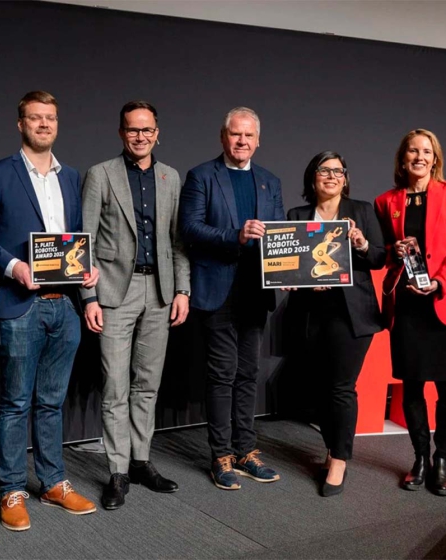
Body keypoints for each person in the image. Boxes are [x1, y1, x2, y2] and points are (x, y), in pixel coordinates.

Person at [0, 91, 101, 530]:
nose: (44, 124)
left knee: (51, 401)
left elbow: (76, 239)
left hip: (62, 306)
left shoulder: (71, 177)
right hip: (19, 305)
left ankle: (53, 483)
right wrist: (12, 266)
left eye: (50, 118)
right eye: (35, 118)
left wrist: (87, 281)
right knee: (14, 404)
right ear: (20, 124)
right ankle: (11, 489)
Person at [80, 101, 190, 510]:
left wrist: (183, 291)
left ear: (157, 133)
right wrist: (88, 297)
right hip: (113, 294)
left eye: (147, 130)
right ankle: (118, 471)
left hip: (160, 292)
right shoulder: (101, 174)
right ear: (121, 133)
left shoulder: (170, 177)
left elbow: (178, 242)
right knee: (115, 386)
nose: (140, 136)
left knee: (148, 383)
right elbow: (84, 241)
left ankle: (141, 462)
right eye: (132, 130)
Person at [178, 107, 285, 490]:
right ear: (223, 137)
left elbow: (278, 235)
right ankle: (220, 455)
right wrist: (234, 236)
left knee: (248, 374)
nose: (242, 142)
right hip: (218, 291)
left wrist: (286, 271)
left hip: (256, 292)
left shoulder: (269, 181)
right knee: (222, 375)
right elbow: (188, 229)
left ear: (258, 140)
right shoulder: (202, 176)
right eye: (235, 135)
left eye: (249, 136)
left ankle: (246, 450)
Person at [374, 129, 446, 496]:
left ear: (435, 159)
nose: (419, 157)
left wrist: (437, 282)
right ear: (402, 159)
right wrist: (395, 249)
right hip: (407, 305)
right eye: (412, 151)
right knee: (413, 385)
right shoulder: (385, 200)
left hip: (445, 301)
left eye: (427, 151)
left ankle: (442, 461)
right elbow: (385, 252)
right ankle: (419, 458)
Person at [283, 151, 386, 497]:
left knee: (341, 386)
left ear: (345, 177)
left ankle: (339, 459)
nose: (330, 176)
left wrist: (361, 242)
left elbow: (379, 257)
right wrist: (287, 277)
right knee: (317, 385)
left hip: (350, 313)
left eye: (337, 171)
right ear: (312, 178)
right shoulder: (297, 216)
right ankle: (331, 447)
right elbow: (288, 263)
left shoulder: (361, 211)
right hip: (310, 311)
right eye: (323, 171)